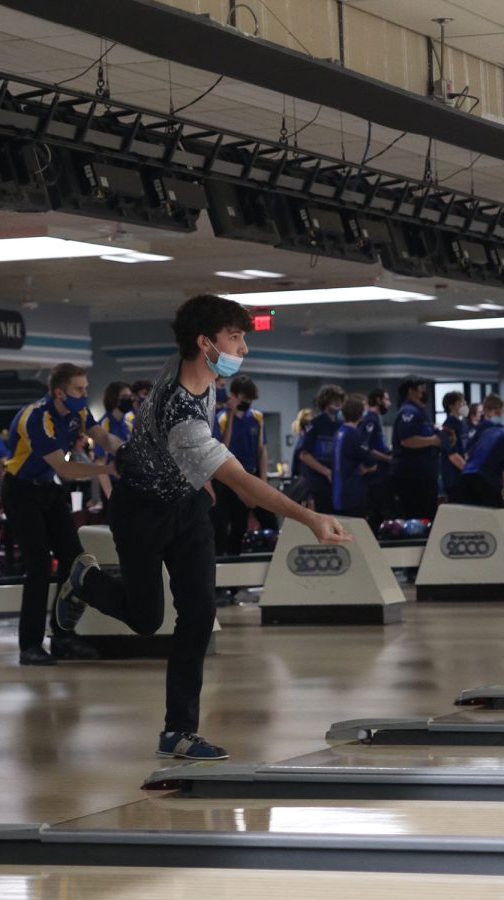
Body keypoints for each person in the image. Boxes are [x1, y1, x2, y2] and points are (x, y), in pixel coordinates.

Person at [55, 294, 351, 761]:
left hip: (186, 509)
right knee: (146, 619)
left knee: (197, 615)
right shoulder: (183, 414)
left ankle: (179, 731)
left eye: (243, 337)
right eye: (235, 338)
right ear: (205, 344)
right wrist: (311, 518)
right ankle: (83, 580)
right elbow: (248, 488)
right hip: (141, 510)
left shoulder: (197, 371)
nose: (244, 348)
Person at [1, 363, 122, 666]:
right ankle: (29, 645)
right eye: (79, 389)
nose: (84, 394)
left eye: (85, 388)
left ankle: (62, 637)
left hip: (48, 490)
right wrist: (108, 468)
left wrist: (129, 452)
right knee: (39, 565)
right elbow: (65, 468)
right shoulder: (37, 418)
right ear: (59, 392)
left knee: (74, 562)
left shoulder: (78, 413)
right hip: (21, 491)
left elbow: (103, 437)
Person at [211, 374, 277, 555]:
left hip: (252, 475)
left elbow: (262, 450)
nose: (247, 401)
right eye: (244, 397)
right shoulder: (222, 417)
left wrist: (262, 480)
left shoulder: (257, 417)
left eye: (249, 398)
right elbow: (223, 448)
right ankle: (232, 570)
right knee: (236, 526)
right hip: (230, 479)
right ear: (234, 395)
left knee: (270, 520)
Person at [390, 375, 454, 519]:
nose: (424, 392)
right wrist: (434, 440)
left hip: (423, 474)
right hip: (413, 475)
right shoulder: (409, 412)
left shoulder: (420, 412)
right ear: (410, 391)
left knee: (428, 514)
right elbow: (407, 440)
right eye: (421, 389)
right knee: (418, 517)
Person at [460, 415, 504, 508]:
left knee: (472, 515)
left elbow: (469, 450)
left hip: (465, 475)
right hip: (487, 479)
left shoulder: (489, 430)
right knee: (495, 516)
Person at [299, 383, 346, 513]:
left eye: (340, 400)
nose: (338, 403)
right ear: (326, 401)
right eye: (334, 399)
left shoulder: (341, 425)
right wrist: (326, 471)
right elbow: (304, 455)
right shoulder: (314, 425)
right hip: (319, 482)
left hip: (337, 482)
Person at [332, 396, 377, 517]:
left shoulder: (339, 432)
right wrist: (369, 468)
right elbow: (370, 461)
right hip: (353, 491)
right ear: (360, 414)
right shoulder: (355, 435)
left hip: (338, 490)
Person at [94, 381, 135, 509]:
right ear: (113, 399)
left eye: (130, 396)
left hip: (130, 485)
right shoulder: (103, 426)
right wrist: (110, 496)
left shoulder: (129, 425)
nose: (129, 399)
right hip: (112, 486)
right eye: (124, 396)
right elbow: (100, 464)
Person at [358, 388, 394, 533]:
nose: (389, 404)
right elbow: (367, 447)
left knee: (376, 511)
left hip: (380, 473)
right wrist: (388, 458)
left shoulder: (374, 419)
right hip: (377, 475)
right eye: (386, 399)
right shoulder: (371, 419)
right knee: (383, 509)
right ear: (378, 400)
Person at [440, 390, 467, 503]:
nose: (465, 404)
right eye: (461, 402)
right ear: (451, 406)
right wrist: (468, 470)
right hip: (454, 476)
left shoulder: (461, 424)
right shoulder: (449, 425)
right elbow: (452, 454)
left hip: (461, 474)